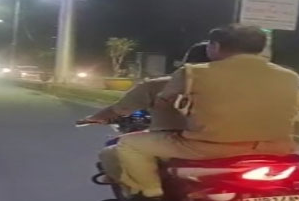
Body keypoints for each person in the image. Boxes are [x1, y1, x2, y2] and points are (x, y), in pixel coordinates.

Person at [106, 24, 299, 201]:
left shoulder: (193, 72)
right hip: (276, 148)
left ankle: (150, 197)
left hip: (209, 148)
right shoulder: (290, 76)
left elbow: (164, 102)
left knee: (129, 144)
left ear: (215, 46)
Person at [82, 42, 210, 183]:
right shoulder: (228, 87)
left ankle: (145, 191)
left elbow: (119, 109)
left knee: (115, 150)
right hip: (223, 146)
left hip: (175, 143)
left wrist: (93, 118)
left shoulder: (157, 85)